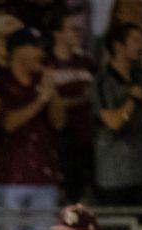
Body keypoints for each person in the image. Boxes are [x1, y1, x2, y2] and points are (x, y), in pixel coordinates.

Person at [0, 27, 64, 230]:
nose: (40, 54)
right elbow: (7, 122)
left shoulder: (43, 82)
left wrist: (50, 93)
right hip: (9, 178)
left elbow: (59, 121)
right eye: (34, 47)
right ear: (18, 51)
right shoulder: (1, 81)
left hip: (44, 177)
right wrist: (40, 101)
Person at [93, 24, 142, 205]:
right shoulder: (102, 82)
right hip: (115, 177)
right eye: (136, 40)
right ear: (118, 46)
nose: (141, 47)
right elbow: (113, 123)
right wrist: (133, 99)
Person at [46, 10, 96, 204]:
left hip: (85, 142)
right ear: (57, 32)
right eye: (73, 29)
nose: (78, 33)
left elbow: (95, 98)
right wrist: (79, 100)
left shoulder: (87, 62)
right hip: (57, 144)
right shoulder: (46, 63)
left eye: (80, 29)